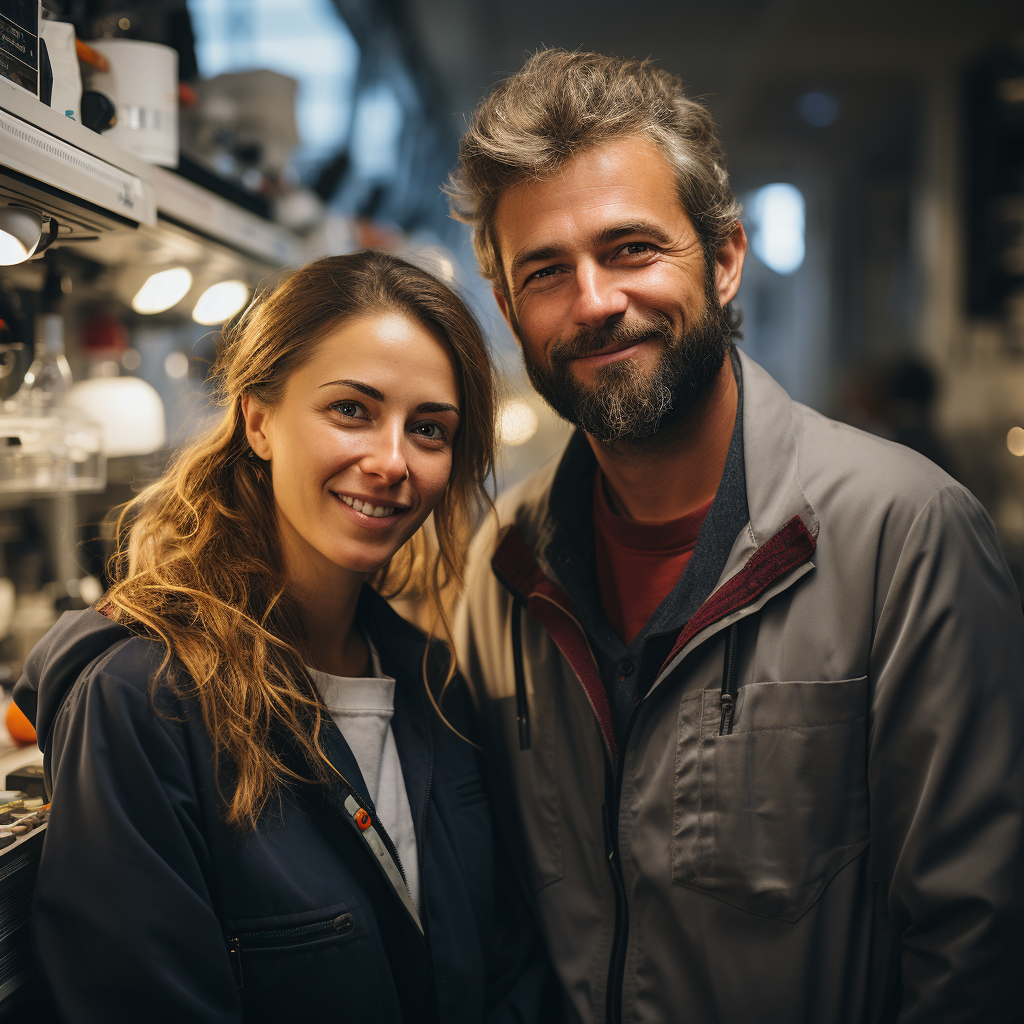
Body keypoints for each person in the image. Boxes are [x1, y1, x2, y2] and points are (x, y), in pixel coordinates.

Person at [451, 49, 1024, 1024]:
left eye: (631, 248)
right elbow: (503, 912)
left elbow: (978, 946)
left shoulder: (903, 532)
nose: (593, 300)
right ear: (508, 311)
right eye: (546, 271)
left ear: (722, 260)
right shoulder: (505, 560)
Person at [15, 251, 552, 1023]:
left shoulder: (436, 687)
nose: (392, 461)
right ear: (259, 419)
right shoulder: (142, 700)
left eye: (429, 429)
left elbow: (508, 966)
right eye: (351, 410)